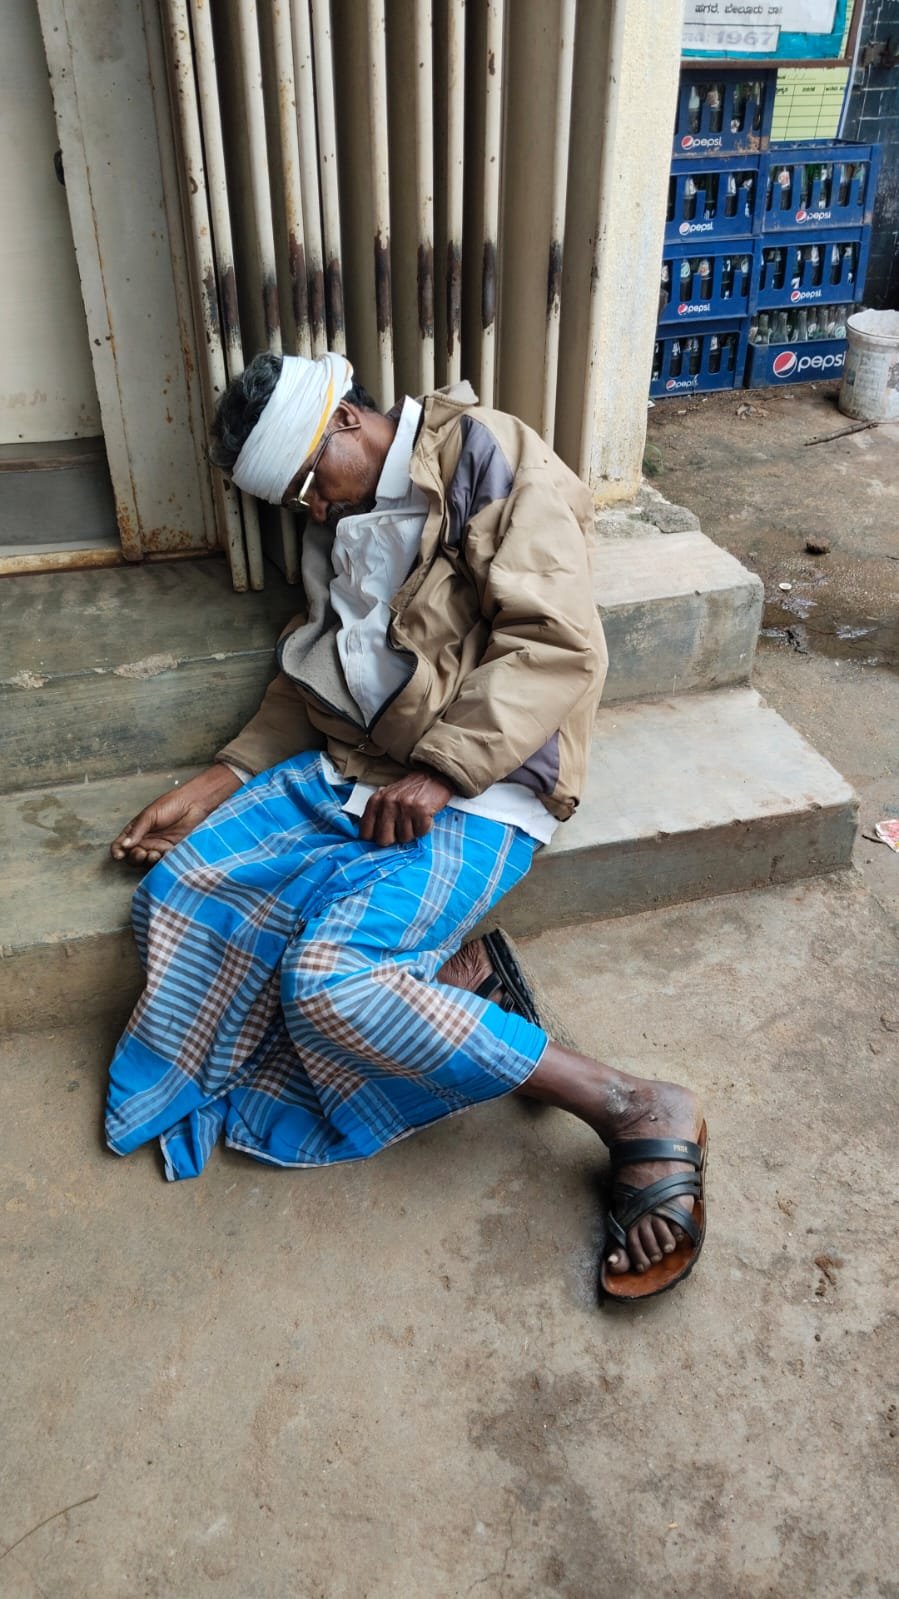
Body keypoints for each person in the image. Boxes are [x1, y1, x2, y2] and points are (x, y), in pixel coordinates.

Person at [106, 351, 706, 1303]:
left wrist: (441, 772)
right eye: (296, 500)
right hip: (359, 767)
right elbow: (321, 661)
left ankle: (627, 1101)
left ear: (347, 419)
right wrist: (223, 775)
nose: (311, 510)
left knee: (327, 981)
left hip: (484, 782)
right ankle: (456, 986)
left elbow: (555, 643)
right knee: (182, 888)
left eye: (310, 483)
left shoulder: (487, 456)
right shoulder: (340, 520)